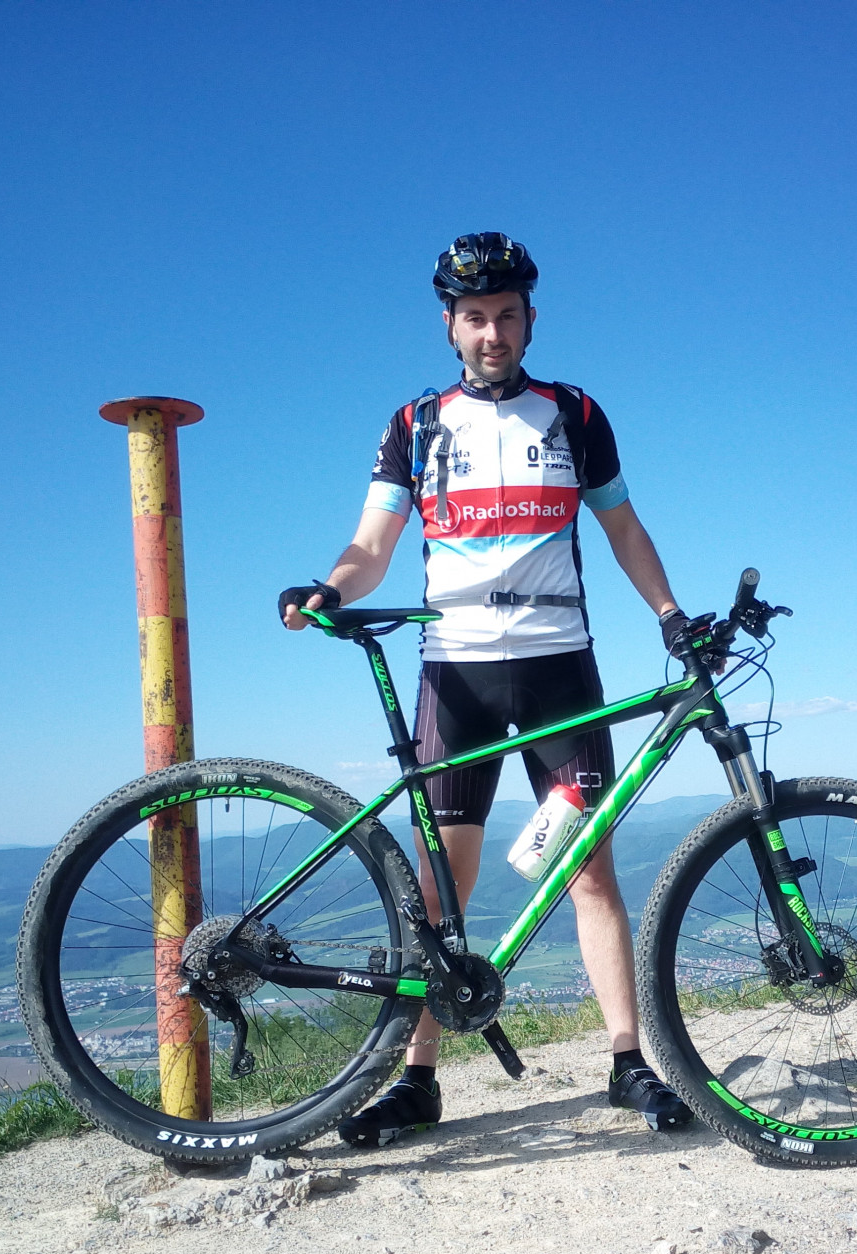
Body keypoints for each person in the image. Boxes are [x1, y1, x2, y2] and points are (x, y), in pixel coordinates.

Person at [281, 232, 702, 1147]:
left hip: (559, 668)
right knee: (442, 890)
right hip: (457, 672)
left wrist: (670, 614)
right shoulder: (416, 424)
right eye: (474, 317)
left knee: (589, 870)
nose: (492, 333)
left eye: (507, 315)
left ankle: (629, 1064)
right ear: (449, 325)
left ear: (530, 319)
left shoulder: (575, 414)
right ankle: (418, 1080)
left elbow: (624, 528)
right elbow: (372, 544)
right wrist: (329, 589)